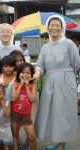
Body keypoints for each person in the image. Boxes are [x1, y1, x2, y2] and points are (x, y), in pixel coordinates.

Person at [33, 15, 80, 150]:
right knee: (52, 112)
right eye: (51, 25)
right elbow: (40, 64)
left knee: (63, 112)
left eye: (57, 25)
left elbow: (77, 64)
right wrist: (37, 72)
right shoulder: (45, 48)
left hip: (66, 81)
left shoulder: (69, 44)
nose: (54, 28)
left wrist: (69, 77)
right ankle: (57, 141)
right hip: (50, 83)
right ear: (47, 28)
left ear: (61, 28)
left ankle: (62, 144)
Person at [11, 63, 37, 150]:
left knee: (32, 137)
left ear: (31, 75)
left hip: (26, 115)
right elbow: (13, 98)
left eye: (28, 73)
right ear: (19, 73)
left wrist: (26, 87)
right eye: (23, 72)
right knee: (15, 133)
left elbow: (32, 99)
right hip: (15, 113)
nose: (25, 75)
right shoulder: (15, 83)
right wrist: (20, 86)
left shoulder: (32, 85)